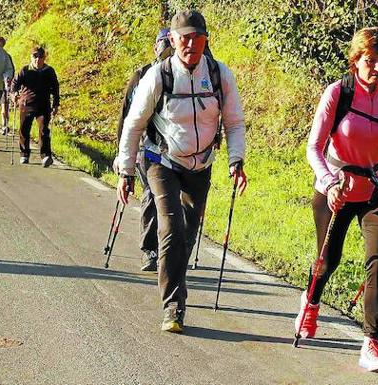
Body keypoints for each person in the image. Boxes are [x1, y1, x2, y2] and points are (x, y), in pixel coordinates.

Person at [116, 10, 247, 333]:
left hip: (200, 165)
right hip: (162, 161)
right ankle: (174, 306)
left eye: (197, 37)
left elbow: (233, 122)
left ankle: (173, 273)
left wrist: (236, 160)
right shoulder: (159, 76)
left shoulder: (219, 74)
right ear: (172, 40)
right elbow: (133, 124)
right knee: (171, 228)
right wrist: (126, 170)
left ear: (206, 40)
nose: (190, 44)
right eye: (184, 38)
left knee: (186, 236)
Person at [296, 27, 378, 374]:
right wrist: (330, 183)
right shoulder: (338, 92)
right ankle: (311, 303)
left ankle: (371, 343)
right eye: (370, 61)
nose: (376, 68)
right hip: (337, 187)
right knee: (327, 259)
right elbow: (313, 147)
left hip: (377, 188)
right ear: (356, 61)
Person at [114, 28, 173, 271]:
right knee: (151, 192)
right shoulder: (142, 75)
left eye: (170, 41)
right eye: (163, 42)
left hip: (177, 150)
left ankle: (171, 249)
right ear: (155, 46)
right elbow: (127, 116)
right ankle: (150, 249)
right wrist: (121, 152)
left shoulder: (186, 75)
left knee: (175, 200)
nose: (166, 46)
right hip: (146, 147)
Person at [11, 46, 60, 167]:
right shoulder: (25, 70)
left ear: (44, 58)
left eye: (40, 57)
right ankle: (24, 154)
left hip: (43, 105)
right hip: (26, 104)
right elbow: (15, 84)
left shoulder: (49, 71)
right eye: (35, 56)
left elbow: (55, 88)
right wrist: (14, 94)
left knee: (44, 130)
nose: (38, 59)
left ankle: (45, 155)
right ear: (31, 57)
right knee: (24, 129)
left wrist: (56, 104)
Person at [0, 36, 13, 135]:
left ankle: (4, 125)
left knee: (4, 109)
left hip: (3, 86)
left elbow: (11, 69)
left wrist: (9, 79)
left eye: (1, 45)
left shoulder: (7, 56)